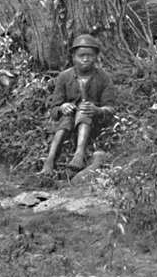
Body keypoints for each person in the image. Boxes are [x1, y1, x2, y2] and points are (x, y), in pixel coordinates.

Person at [41, 33, 116, 174]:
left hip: (93, 123)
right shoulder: (64, 77)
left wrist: (97, 110)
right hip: (67, 123)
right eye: (81, 56)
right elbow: (54, 109)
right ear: (73, 57)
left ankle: (79, 154)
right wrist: (62, 107)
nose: (86, 59)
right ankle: (49, 160)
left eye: (90, 55)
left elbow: (111, 108)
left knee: (84, 110)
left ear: (96, 57)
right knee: (65, 120)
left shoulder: (103, 78)